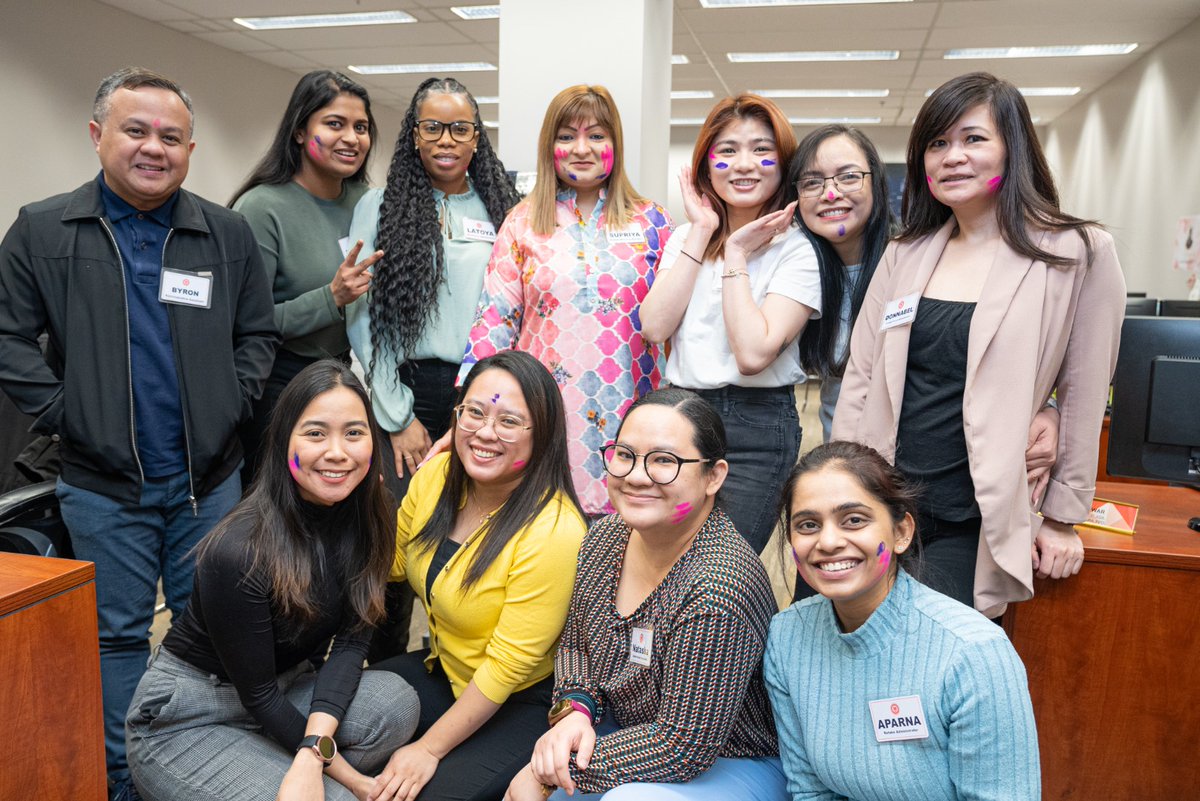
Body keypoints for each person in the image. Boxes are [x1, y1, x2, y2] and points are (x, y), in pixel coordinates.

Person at [0, 67, 278, 799]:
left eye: (171, 137)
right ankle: (128, 779)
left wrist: (229, 402)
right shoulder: (42, 228)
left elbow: (257, 336)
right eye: (136, 130)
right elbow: (8, 339)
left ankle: (205, 764)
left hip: (208, 482)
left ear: (190, 148)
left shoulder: (224, 232)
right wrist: (68, 413)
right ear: (98, 137)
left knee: (210, 632)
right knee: (118, 636)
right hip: (101, 484)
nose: (154, 148)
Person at [832, 72, 1126, 617]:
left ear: (1013, 149)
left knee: (927, 667)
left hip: (973, 517)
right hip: (882, 506)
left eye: (973, 139)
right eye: (937, 144)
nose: (952, 157)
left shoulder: (1076, 252)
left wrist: (1063, 518)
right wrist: (841, 491)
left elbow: (1085, 394)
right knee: (844, 655)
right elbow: (862, 379)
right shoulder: (906, 253)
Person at [788, 124, 1060, 602]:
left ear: (877, 180)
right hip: (851, 463)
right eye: (812, 182)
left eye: (849, 176)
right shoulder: (793, 265)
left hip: (924, 476)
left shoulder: (910, 259)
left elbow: (986, 348)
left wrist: (1048, 407)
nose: (831, 193)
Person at [126, 360, 420, 801]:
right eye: (316, 433)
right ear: (284, 441)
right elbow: (257, 694)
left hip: (285, 688)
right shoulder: (239, 549)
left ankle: (266, 769)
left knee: (397, 705)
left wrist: (310, 753)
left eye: (354, 433)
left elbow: (353, 642)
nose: (338, 452)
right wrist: (352, 780)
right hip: (190, 715)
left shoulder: (373, 513)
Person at [505, 387, 786, 801]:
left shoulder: (719, 586)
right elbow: (576, 644)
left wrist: (549, 772)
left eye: (664, 461)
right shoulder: (605, 536)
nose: (636, 476)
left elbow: (683, 746)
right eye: (625, 455)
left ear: (714, 476)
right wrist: (574, 712)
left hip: (731, 762)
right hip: (628, 735)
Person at [765, 441, 1040, 800]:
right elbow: (810, 791)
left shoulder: (974, 654)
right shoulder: (787, 638)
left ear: (901, 533)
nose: (828, 541)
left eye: (854, 520)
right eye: (808, 525)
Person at [368, 350, 587, 801]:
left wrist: (427, 750)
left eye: (509, 421)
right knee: (343, 725)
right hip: (444, 671)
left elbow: (506, 668)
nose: (485, 432)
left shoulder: (555, 530)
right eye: (474, 412)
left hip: (518, 703)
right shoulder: (438, 477)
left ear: (541, 434)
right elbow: (385, 565)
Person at [455, 84, 673, 519]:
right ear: (549, 146)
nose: (581, 148)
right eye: (566, 136)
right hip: (546, 415)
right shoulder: (521, 223)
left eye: (596, 135)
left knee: (628, 546)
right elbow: (494, 323)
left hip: (633, 412)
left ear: (616, 144)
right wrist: (472, 412)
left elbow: (674, 322)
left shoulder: (652, 221)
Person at [639, 94, 818, 554]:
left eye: (762, 150)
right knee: (665, 558)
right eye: (728, 150)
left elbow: (753, 354)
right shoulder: (686, 236)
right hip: (680, 415)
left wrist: (736, 254)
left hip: (756, 428)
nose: (744, 165)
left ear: (784, 163)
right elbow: (654, 327)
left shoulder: (797, 249)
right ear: (705, 163)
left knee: (722, 567)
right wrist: (701, 232)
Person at [346, 76, 520, 497]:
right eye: (433, 128)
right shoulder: (380, 206)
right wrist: (398, 417)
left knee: (479, 517)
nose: (447, 140)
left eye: (460, 129)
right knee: (409, 521)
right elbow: (363, 317)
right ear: (415, 137)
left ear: (476, 139)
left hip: (485, 391)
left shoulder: (504, 209)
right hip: (410, 390)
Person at [231, 70, 382, 481]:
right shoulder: (261, 208)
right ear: (300, 131)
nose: (351, 138)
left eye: (361, 127)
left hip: (339, 377)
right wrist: (330, 298)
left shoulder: (367, 202)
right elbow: (245, 323)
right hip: (276, 384)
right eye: (335, 124)